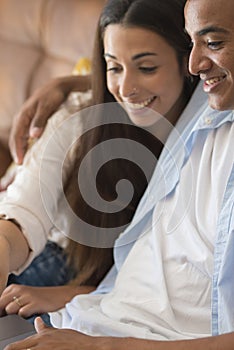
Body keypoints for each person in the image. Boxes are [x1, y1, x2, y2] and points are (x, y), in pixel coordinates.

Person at [1, 0, 234, 349]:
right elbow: (22, 214)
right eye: (113, 68)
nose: (126, 88)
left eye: (147, 67)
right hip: (52, 266)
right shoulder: (82, 118)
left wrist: (83, 300)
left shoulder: (205, 109)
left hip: (94, 293)